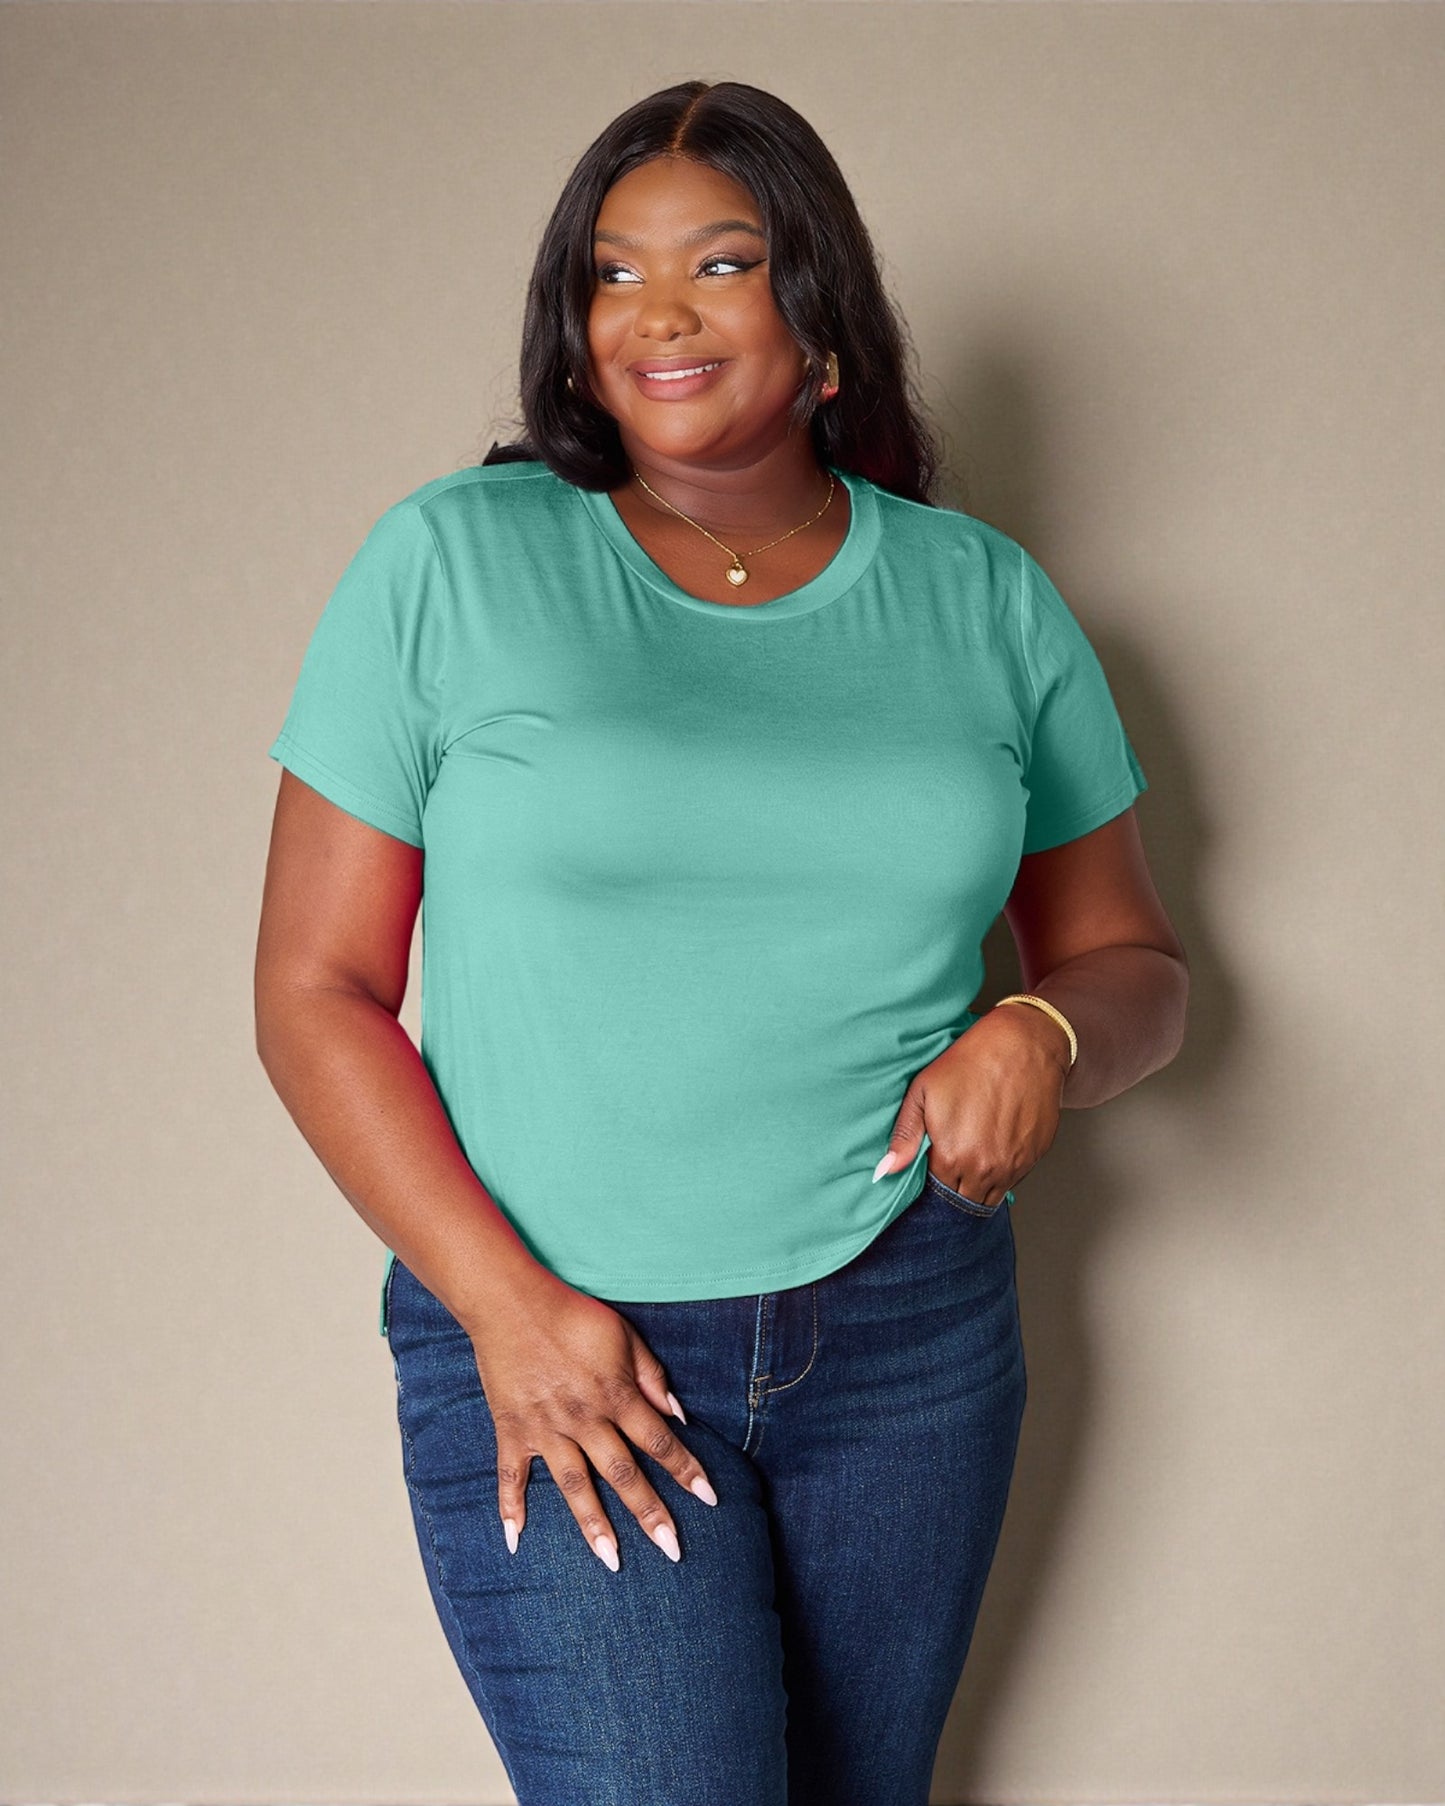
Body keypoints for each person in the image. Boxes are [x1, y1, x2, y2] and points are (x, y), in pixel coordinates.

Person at [255, 78, 1188, 1806]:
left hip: (904, 1333)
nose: (659, 313)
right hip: (556, 1331)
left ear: (820, 312)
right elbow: (314, 992)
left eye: (722, 261)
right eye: (612, 275)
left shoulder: (981, 598)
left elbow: (1133, 963)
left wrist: (1040, 1035)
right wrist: (507, 1311)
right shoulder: (453, 563)